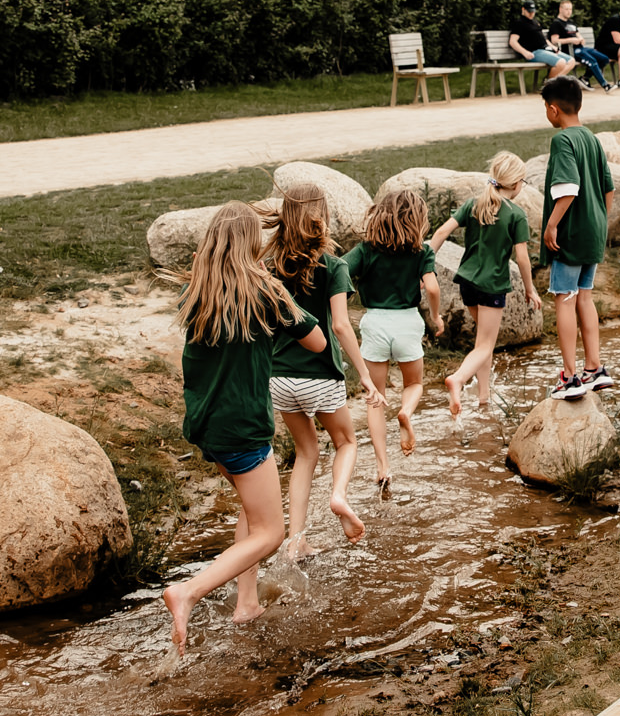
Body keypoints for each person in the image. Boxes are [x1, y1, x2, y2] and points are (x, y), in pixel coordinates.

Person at [161, 201, 328, 654]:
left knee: (253, 512)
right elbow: (317, 342)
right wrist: (283, 294)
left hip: (206, 426)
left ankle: (246, 603)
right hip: (243, 428)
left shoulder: (196, 291)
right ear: (253, 245)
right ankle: (188, 592)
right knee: (271, 534)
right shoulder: (265, 292)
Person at [261, 183, 371, 558]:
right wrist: (365, 375)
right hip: (320, 377)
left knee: (306, 452)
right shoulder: (334, 265)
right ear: (321, 217)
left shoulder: (269, 266)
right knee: (347, 442)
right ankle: (339, 497)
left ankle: (296, 541)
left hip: (279, 379)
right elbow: (340, 326)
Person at [427, 152, 540, 418]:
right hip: (491, 286)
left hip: (467, 283)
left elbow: (442, 232)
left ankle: (483, 398)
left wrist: (425, 264)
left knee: (482, 342)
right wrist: (530, 288)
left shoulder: (474, 205)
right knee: (486, 345)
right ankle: (458, 379)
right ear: (514, 184)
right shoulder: (516, 214)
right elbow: (522, 258)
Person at [341, 188, 444, 475]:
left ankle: (382, 466)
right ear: (418, 220)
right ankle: (406, 412)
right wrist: (435, 317)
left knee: (375, 398)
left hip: (375, 323)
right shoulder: (422, 251)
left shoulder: (365, 249)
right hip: (407, 323)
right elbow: (433, 287)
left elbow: (340, 272)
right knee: (413, 384)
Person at [539, 77, 615, 397]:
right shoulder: (593, 139)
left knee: (565, 299)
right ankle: (594, 368)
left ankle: (569, 376)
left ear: (554, 110)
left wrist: (552, 225)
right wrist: (599, 220)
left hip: (570, 233)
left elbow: (568, 188)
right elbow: (608, 189)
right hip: (594, 231)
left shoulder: (563, 141)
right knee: (585, 296)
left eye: (545, 107)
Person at [548, 0, 613, 93]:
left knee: (604, 59)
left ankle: (585, 78)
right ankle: (605, 85)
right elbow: (554, 41)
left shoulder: (571, 23)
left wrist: (581, 39)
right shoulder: (556, 24)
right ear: (560, 9)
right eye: (566, 9)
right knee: (592, 60)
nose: (569, 12)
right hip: (569, 51)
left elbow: (578, 35)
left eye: (570, 9)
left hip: (581, 48)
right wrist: (571, 40)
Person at [509, 0, 574, 82]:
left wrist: (553, 47)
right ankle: (549, 84)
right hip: (534, 52)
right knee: (561, 62)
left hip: (546, 49)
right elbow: (512, 41)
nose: (531, 13)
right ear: (523, 9)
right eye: (529, 11)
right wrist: (524, 52)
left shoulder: (535, 22)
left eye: (533, 11)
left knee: (571, 61)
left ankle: (552, 83)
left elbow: (543, 39)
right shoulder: (519, 23)